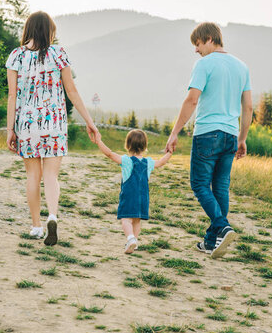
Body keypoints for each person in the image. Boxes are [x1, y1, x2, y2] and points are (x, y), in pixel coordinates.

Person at [5, 11, 98, 246]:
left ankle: (36, 226)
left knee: (32, 176)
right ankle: (53, 215)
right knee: (51, 175)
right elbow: (72, 92)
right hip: (54, 122)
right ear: (49, 31)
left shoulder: (16, 56)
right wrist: (89, 121)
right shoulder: (58, 54)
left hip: (26, 124)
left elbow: (12, 95)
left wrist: (10, 129)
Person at [165, 22, 253, 259]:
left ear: (209, 39)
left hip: (207, 133)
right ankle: (212, 242)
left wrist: (174, 133)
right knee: (221, 187)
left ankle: (223, 227)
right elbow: (248, 107)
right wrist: (242, 138)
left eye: (197, 44)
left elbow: (192, 100)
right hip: (231, 134)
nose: (196, 50)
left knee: (200, 184)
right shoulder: (242, 67)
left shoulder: (204, 64)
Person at [95, 129, 172, 253]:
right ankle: (134, 242)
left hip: (129, 196)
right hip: (143, 198)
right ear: (145, 146)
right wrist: (170, 152)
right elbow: (162, 162)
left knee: (126, 219)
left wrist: (99, 142)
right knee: (136, 220)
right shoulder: (149, 162)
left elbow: (109, 154)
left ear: (128, 145)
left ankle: (130, 239)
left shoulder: (126, 161)